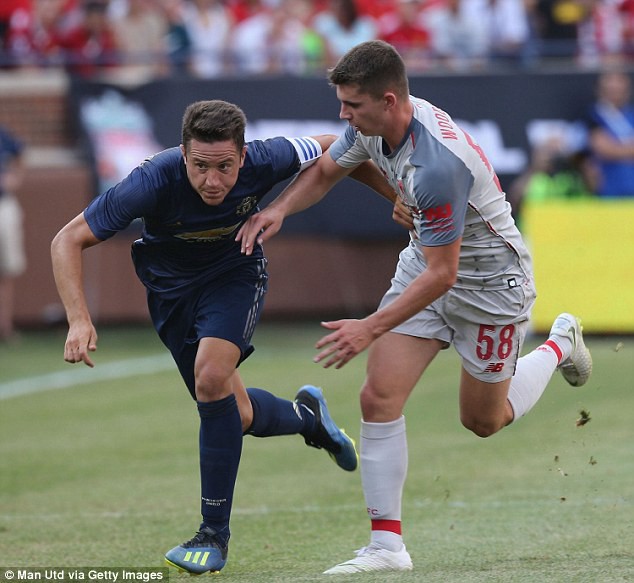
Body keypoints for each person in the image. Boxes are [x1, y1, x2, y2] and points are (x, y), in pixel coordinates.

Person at [237, 40, 594, 574]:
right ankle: (387, 547)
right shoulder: (376, 124)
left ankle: (559, 341)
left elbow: (444, 275)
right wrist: (280, 209)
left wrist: (368, 328)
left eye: (351, 105)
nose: (343, 115)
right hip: (426, 263)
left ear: (387, 99)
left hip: (490, 286)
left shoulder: (436, 167)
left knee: (483, 421)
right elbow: (329, 169)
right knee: (378, 395)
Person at [50, 99, 399, 575]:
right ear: (183, 153)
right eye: (199, 167)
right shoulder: (152, 180)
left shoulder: (269, 156)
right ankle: (308, 420)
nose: (213, 181)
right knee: (235, 411)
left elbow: (343, 148)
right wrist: (78, 318)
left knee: (211, 378)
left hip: (235, 272)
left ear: (243, 154)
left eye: (225, 167)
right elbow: (66, 240)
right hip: (172, 295)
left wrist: (394, 197)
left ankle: (212, 534)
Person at [586, 70, 634, 197]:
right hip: (610, 192)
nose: (615, 88)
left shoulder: (631, 114)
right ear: (600, 89)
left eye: (619, 86)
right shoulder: (594, 115)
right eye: (610, 88)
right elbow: (604, 149)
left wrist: (618, 148)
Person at [0, 124, 26, 343]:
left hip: (3, 205)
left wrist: (15, 177)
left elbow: (19, 155)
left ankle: (5, 328)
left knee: (7, 270)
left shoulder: (3, 136)